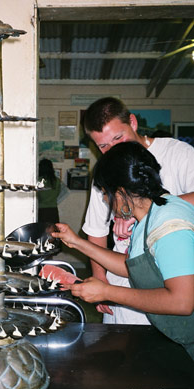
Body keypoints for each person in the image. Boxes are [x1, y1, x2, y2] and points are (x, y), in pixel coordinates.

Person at [52, 141, 194, 360]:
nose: (106, 199)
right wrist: (78, 242)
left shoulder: (170, 226)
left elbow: (182, 302)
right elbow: (134, 266)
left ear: (120, 192)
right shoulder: (150, 213)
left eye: (105, 193)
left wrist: (107, 292)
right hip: (174, 337)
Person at [82, 97, 194, 325]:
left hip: (169, 277)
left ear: (132, 123)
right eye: (103, 146)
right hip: (123, 279)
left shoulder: (178, 153)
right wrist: (99, 277)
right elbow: (96, 230)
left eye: (117, 137)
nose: (113, 149)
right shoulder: (105, 170)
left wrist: (142, 210)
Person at [38, 158, 61, 224]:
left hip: (41, 210)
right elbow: (57, 194)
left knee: (41, 232)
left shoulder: (38, 181)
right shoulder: (57, 180)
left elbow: (37, 196)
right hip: (53, 210)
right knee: (53, 232)